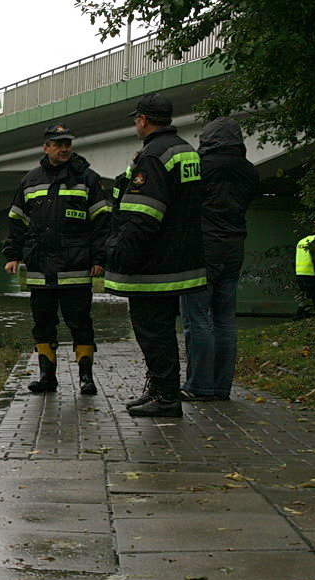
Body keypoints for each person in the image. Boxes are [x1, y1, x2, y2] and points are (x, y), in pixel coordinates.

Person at [104, 93, 206, 417]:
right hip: (178, 256)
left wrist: (119, 254)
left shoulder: (153, 156)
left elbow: (143, 215)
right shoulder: (186, 151)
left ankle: (166, 397)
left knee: (153, 333)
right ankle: (161, 391)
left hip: (154, 265)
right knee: (162, 330)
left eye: (137, 119)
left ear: (143, 120)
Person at [3, 123, 110, 395]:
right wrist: (13, 255)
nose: (64, 149)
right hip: (41, 270)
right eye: (58, 144)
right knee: (43, 325)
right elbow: (17, 221)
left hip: (76, 267)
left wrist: (100, 258)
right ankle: (47, 378)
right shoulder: (30, 180)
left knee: (81, 324)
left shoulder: (87, 178)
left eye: (67, 144)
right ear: (46, 147)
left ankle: (86, 378)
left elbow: (102, 222)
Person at [179, 117, 259, 402]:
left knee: (197, 319)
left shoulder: (201, 167)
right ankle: (221, 387)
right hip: (234, 247)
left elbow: (185, 204)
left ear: (208, 139)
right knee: (225, 320)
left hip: (203, 249)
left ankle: (199, 385)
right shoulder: (249, 171)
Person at [294, 234, 315, 319]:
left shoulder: (302, 241)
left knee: (306, 294)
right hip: (311, 272)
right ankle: (300, 314)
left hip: (300, 271)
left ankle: (305, 314)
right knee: (313, 293)